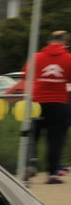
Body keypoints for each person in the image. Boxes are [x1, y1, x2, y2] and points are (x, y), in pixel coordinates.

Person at [23, 30, 71, 184]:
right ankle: (52, 174)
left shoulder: (36, 57)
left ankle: (29, 167)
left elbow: (25, 75)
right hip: (59, 103)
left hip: (37, 103)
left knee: (32, 137)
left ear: (49, 41)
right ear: (64, 42)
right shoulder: (68, 58)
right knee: (55, 140)